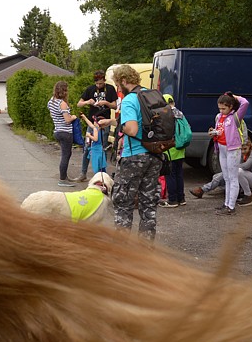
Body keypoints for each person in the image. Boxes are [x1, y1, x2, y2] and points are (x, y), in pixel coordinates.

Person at [110, 65, 163, 240]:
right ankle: (145, 249)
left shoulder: (129, 100)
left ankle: (122, 249)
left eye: (118, 85)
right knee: (148, 204)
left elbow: (132, 129)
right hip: (154, 155)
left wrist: (120, 126)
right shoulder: (151, 95)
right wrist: (113, 121)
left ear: (124, 81)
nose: (118, 89)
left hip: (134, 157)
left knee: (124, 203)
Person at [73, 70, 118, 182]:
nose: (99, 86)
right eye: (97, 84)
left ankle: (102, 175)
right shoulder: (90, 89)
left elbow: (115, 105)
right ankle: (83, 173)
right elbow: (79, 104)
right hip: (92, 123)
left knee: (102, 148)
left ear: (104, 80)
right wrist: (88, 102)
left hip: (105, 122)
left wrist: (106, 103)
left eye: (101, 84)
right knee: (88, 147)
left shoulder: (110, 89)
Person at [210, 92, 250, 215]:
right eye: (220, 108)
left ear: (231, 107)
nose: (221, 111)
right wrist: (214, 132)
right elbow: (221, 131)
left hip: (233, 149)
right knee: (226, 177)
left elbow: (245, 103)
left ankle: (231, 207)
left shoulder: (236, 117)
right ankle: (226, 203)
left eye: (224, 108)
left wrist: (235, 97)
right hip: (222, 148)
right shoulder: (219, 116)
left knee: (233, 178)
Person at [48, 81, 78, 187]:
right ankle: (62, 180)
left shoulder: (51, 101)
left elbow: (53, 116)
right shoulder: (62, 104)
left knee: (66, 154)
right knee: (66, 155)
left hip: (57, 131)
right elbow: (67, 120)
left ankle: (64, 176)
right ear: (64, 91)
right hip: (65, 132)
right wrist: (73, 117)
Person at [159, 94, 186, 208]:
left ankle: (172, 200)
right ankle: (181, 198)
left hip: (170, 148)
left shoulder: (166, 114)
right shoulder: (180, 113)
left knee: (170, 175)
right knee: (179, 174)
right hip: (181, 148)